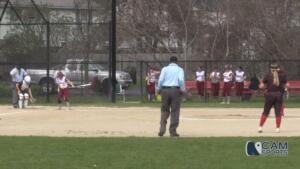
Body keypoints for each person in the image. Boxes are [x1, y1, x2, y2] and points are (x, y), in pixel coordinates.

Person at [157, 56, 185, 137]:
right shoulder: (180, 69)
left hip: (165, 90)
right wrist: (182, 89)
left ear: (170, 62)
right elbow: (181, 80)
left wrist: (159, 88)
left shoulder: (164, 69)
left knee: (164, 110)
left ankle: (162, 129)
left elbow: (161, 80)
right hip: (175, 90)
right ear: (176, 62)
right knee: (175, 111)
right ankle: (173, 131)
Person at [258, 63, 287, 133]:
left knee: (265, 112)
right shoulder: (282, 75)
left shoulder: (268, 75)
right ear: (277, 68)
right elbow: (286, 83)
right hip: (279, 95)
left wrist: (264, 88)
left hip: (270, 95)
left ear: (271, 69)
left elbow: (261, 86)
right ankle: (277, 128)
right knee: (278, 113)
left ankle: (260, 127)